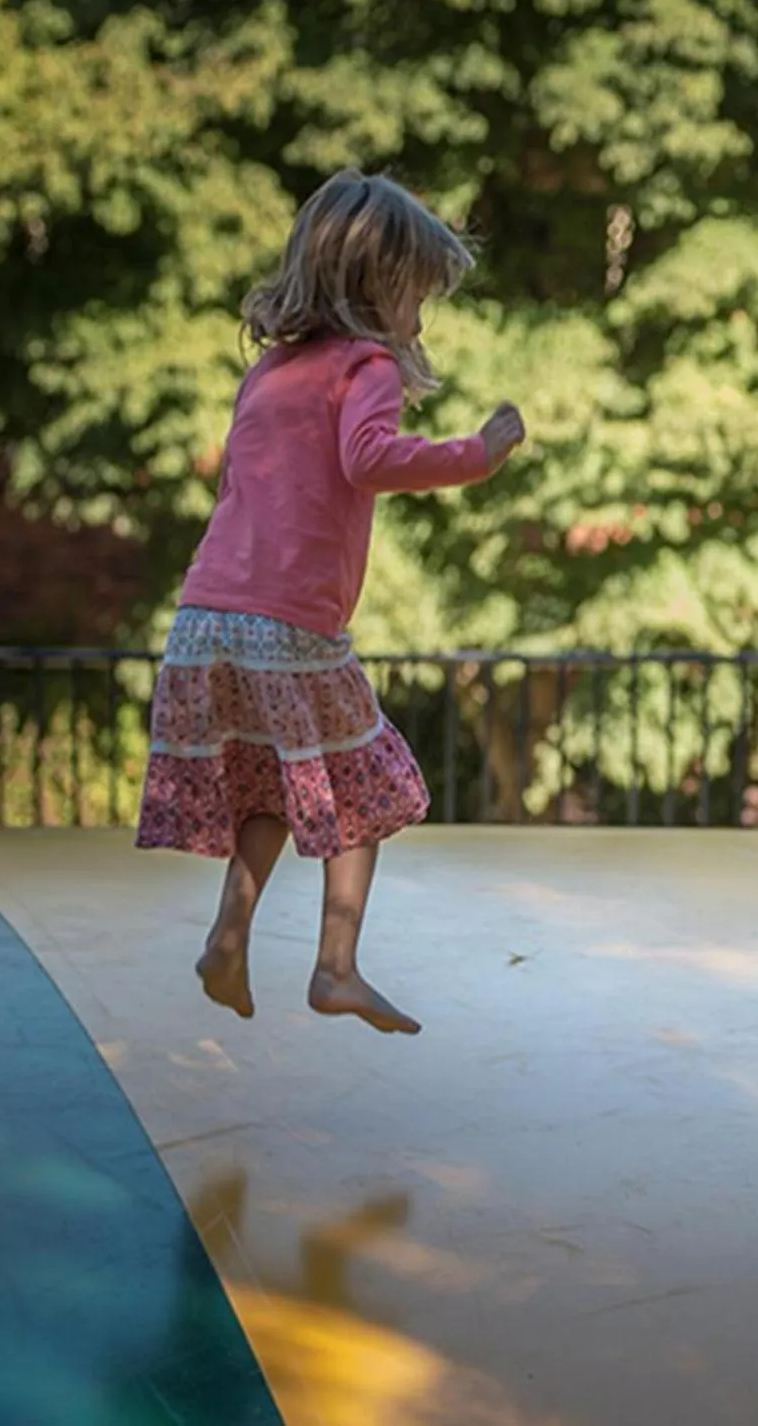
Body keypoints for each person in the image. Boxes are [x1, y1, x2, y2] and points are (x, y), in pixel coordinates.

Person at [135, 169, 527, 1035]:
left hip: (206, 619)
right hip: (289, 624)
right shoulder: (367, 364)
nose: (420, 320)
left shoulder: (271, 372)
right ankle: (336, 968)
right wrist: (478, 453)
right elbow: (369, 459)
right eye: (418, 297)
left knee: (276, 785)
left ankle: (227, 940)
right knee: (367, 784)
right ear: (380, 286)